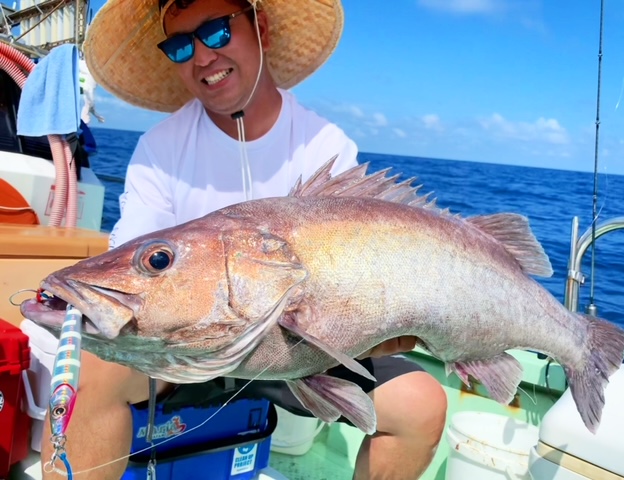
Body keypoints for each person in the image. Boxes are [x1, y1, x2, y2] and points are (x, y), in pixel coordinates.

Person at [43, 0, 448, 478]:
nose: (201, 56)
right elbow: (131, 271)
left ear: (262, 29)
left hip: (299, 349)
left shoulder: (324, 144)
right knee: (86, 379)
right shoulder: (161, 148)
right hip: (183, 352)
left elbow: (355, 283)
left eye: (215, 32)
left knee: (421, 406)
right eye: (179, 45)